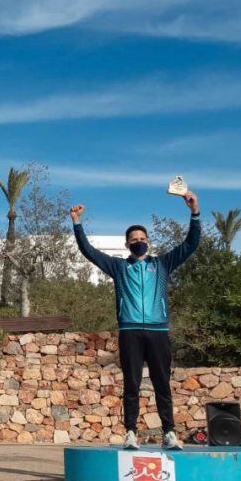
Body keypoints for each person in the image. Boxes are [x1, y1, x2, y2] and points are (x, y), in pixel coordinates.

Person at [70, 191, 201, 451]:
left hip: (158, 331)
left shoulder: (163, 264)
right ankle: (130, 432)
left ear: (149, 241)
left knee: (162, 382)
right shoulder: (119, 267)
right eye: (133, 240)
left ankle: (169, 433)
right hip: (129, 331)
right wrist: (77, 222)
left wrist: (194, 212)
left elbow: (190, 245)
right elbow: (89, 252)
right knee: (131, 383)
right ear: (127, 244)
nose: (138, 242)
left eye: (142, 238)